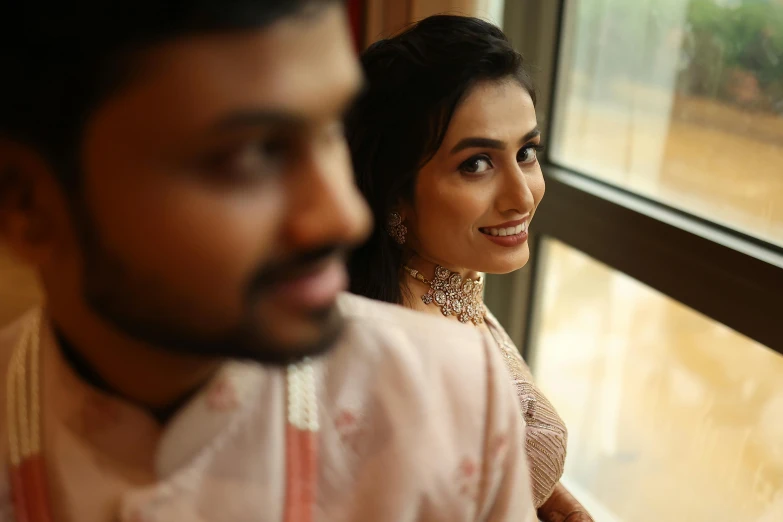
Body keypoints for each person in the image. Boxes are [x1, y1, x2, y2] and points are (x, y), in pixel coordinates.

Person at [0, 2, 537, 521]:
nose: (344, 216)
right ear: (24, 204)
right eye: (251, 154)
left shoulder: (455, 397)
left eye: (330, 130)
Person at [346, 15, 593, 522]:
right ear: (396, 192)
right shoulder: (401, 367)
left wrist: (543, 493)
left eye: (526, 152)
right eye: (476, 164)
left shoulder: (441, 285)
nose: (522, 197)